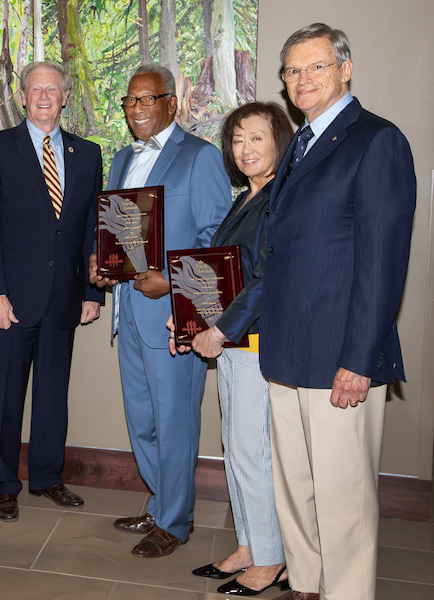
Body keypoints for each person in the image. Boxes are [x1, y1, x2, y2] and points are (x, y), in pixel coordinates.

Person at [260, 24, 415, 600]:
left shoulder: (377, 141)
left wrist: (359, 360)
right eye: (292, 71)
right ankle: (306, 585)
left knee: (344, 500)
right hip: (284, 350)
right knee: (295, 488)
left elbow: (382, 266)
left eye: (316, 66)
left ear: (345, 69)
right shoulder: (300, 143)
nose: (302, 79)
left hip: (339, 358)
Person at [90, 64, 230, 557]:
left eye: (147, 100)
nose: (136, 110)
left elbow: (218, 241)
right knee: (143, 418)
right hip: (128, 312)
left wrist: (170, 281)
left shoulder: (201, 157)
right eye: (130, 101)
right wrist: (102, 262)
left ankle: (175, 520)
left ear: (172, 103)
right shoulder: (121, 161)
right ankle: (160, 502)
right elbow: (117, 233)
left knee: (174, 421)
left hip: (173, 316)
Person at [0, 61, 103, 523]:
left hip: (64, 296)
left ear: (65, 97)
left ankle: (48, 478)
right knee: (5, 396)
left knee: (52, 396)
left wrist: (92, 292)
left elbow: (91, 229)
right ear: (22, 95)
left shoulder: (88, 154)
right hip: (10, 299)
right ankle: (4, 484)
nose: (44, 96)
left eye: (53, 89)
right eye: (35, 88)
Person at [170, 102, 293, 595]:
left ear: (279, 142)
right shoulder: (247, 197)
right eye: (238, 140)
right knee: (237, 449)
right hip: (231, 342)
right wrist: (188, 319)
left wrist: (217, 330)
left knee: (253, 453)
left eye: (257, 138)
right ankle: (249, 544)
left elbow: (266, 280)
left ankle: (270, 560)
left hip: (256, 342)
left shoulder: (282, 198)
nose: (246, 149)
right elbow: (220, 273)